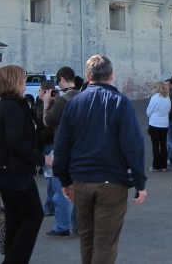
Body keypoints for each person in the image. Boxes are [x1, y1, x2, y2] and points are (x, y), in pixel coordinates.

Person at [53, 55, 147, 264]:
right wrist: (139, 181)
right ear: (111, 75)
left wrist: (65, 180)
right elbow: (133, 145)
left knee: (87, 239)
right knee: (105, 242)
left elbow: (61, 145)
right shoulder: (119, 102)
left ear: (88, 76)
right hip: (111, 181)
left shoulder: (74, 103)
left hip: (82, 180)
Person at [0, 65, 51, 263]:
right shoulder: (13, 107)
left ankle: (11, 257)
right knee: (33, 215)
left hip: (6, 170)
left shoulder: (6, 106)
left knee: (16, 216)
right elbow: (15, 142)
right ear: (15, 82)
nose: (25, 83)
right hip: (14, 171)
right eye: (23, 79)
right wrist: (43, 159)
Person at [42, 66, 81, 238]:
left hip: (63, 149)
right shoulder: (83, 96)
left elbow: (47, 121)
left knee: (62, 189)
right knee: (78, 189)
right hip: (80, 149)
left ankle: (62, 225)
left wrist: (46, 104)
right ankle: (78, 224)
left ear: (63, 79)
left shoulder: (63, 100)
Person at [35, 81, 57, 217]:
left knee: (51, 178)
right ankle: (51, 205)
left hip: (51, 143)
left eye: (40, 90)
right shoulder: (41, 103)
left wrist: (46, 104)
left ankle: (50, 206)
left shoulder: (54, 104)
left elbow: (42, 121)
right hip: (44, 143)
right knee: (49, 177)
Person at [146, 81, 171, 172]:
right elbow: (168, 110)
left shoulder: (154, 98)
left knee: (155, 145)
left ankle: (156, 166)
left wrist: (151, 116)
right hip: (164, 124)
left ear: (157, 88)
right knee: (163, 144)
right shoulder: (167, 98)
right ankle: (164, 165)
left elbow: (149, 111)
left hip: (155, 123)